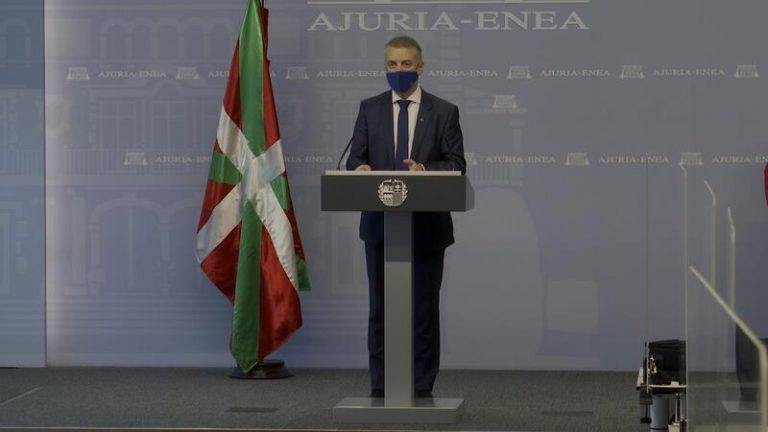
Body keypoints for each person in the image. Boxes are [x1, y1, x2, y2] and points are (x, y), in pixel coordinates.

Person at [346, 35, 466, 398]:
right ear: (385, 68)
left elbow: (456, 164)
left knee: (423, 310)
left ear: (420, 67)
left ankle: (421, 385)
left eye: (406, 64)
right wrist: (360, 168)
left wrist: (424, 169)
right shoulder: (369, 109)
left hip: (427, 227)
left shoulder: (444, 111)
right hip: (380, 226)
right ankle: (381, 385)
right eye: (392, 65)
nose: (399, 70)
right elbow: (355, 158)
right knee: (380, 309)